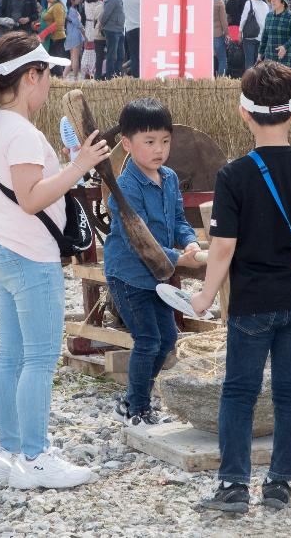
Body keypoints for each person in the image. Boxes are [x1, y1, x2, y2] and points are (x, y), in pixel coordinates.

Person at [0, 32, 110, 490]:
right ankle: (36, 454)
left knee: (12, 356)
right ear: (31, 77)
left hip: (2, 248)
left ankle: (10, 453)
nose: (51, 86)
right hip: (30, 256)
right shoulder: (21, 132)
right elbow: (31, 199)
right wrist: (79, 165)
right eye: (49, 75)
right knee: (40, 360)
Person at [190, 61, 291, 513]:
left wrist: (206, 295)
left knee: (240, 391)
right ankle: (280, 485)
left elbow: (223, 246)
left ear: (242, 113)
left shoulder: (234, 175)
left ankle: (233, 486)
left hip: (251, 303)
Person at [104, 99, 202, 425]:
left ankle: (134, 398)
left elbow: (178, 219)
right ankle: (138, 407)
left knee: (168, 340)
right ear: (127, 144)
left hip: (159, 276)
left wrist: (189, 241)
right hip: (130, 276)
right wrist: (180, 258)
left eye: (165, 141)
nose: (159, 149)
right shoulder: (125, 188)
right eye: (149, 142)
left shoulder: (169, 178)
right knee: (148, 340)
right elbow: (139, 241)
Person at [259, 0, 291, 71]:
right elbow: (265, 36)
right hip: (269, 55)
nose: (272, 0)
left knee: (286, 82)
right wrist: (260, 52)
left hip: (286, 55)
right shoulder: (269, 16)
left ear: (283, 2)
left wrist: (285, 47)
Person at [100, 0, 126, 78]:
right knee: (113, 55)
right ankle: (111, 76)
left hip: (116, 29)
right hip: (113, 29)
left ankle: (116, 75)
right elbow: (106, 14)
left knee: (119, 55)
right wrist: (102, 25)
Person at [238, 0, 268, 70]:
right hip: (261, 36)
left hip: (249, 36)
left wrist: (240, 32)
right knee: (259, 61)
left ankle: (249, 81)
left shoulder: (249, 3)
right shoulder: (265, 5)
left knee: (249, 60)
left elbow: (243, 19)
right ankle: (259, 81)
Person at [41, 0, 67, 77]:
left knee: (55, 61)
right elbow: (50, 20)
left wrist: (44, 33)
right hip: (52, 37)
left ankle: (59, 82)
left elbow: (58, 23)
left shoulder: (58, 6)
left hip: (57, 38)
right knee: (52, 60)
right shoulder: (54, 5)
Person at [81, 0, 102, 80]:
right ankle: (93, 70)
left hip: (87, 26)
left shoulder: (86, 2)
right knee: (95, 50)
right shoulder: (99, 3)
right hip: (95, 26)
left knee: (87, 49)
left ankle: (86, 70)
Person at [122, 0, 141, 77]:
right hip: (140, 28)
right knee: (141, 53)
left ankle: (135, 74)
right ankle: (140, 74)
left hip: (128, 28)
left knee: (133, 54)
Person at [212, 0, 228, 77]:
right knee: (222, 59)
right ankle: (221, 80)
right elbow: (223, 20)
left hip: (204, 35)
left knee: (209, 58)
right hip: (217, 34)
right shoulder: (219, 2)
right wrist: (227, 33)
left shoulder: (202, 1)